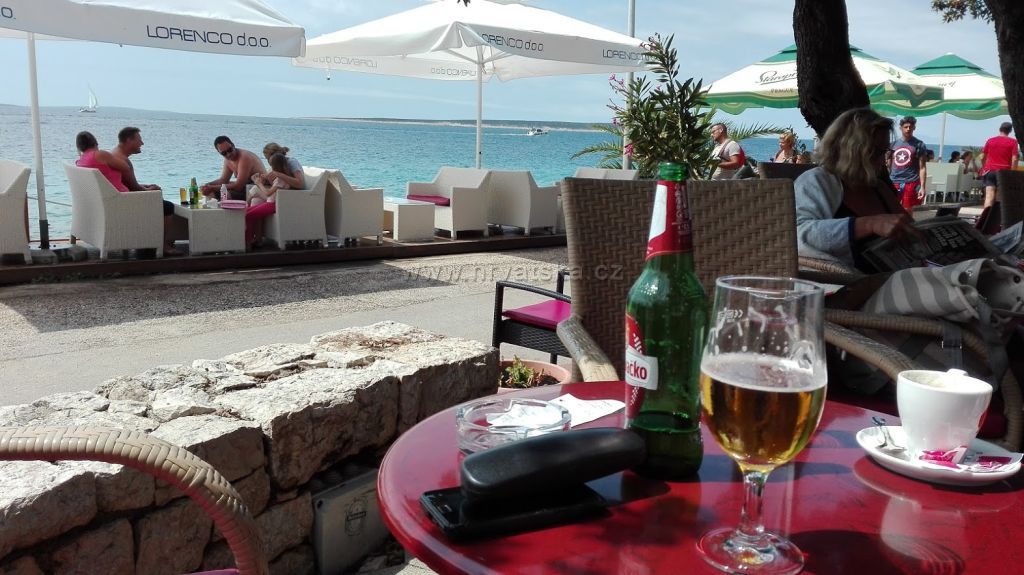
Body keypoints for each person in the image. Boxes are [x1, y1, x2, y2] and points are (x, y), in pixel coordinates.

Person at [795, 108, 917, 273]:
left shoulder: (878, 187)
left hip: (895, 276)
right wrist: (869, 224)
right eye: (875, 152)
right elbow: (797, 236)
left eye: (885, 152)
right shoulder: (817, 181)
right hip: (847, 283)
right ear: (849, 150)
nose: (882, 161)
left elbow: (911, 231)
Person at [111, 126, 181, 256]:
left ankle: (156, 240)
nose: (142, 143)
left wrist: (147, 187)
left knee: (157, 195)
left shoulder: (114, 154)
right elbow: (135, 189)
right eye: (139, 140)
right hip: (126, 204)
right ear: (129, 140)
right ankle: (162, 245)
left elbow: (126, 183)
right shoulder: (122, 160)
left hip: (119, 199)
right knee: (167, 206)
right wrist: (151, 190)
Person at [245, 152, 291, 248]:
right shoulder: (283, 177)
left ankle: (247, 242)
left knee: (246, 215)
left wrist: (259, 183)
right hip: (271, 202)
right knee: (245, 212)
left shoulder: (280, 180)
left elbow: (268, 193)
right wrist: (265, 178)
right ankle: (252, 240)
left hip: (272, 205)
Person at [201, 136, 265, 201]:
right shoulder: (228, 160)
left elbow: (238, 186)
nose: (228, 154)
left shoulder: (244, 157)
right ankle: (214, 206)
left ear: (233, 145)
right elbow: (223, 180)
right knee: (209, 192)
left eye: (229, 150)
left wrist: (212, 187)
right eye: (224, 153)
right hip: (246, 188)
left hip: (259, 188)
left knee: (224, 194)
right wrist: (207, 185)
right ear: (219, 153)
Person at [888, 116, 929, 211]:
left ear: (914, 128)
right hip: (894, 181)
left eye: (910, 127)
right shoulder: (893, 145)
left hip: (911, 182)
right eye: (905, 127)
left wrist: (922, 187)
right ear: (900, 128)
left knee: (907, 210)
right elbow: (888, 166)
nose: (908, 129)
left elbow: (922, 167)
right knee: (892, 209)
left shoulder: (919, 144)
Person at [979, 121, 1019, 208]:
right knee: (1000, 197)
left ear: (1000, 129)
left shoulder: (990, 140)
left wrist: (984, 167)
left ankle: (986, 215)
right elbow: (1015, 159)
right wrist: (1013, 172)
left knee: (989, 196)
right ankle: (998, 215)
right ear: (1010, 131)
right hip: (1004, 172)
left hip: (990, 171)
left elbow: (982, 157)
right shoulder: (1013, 142)